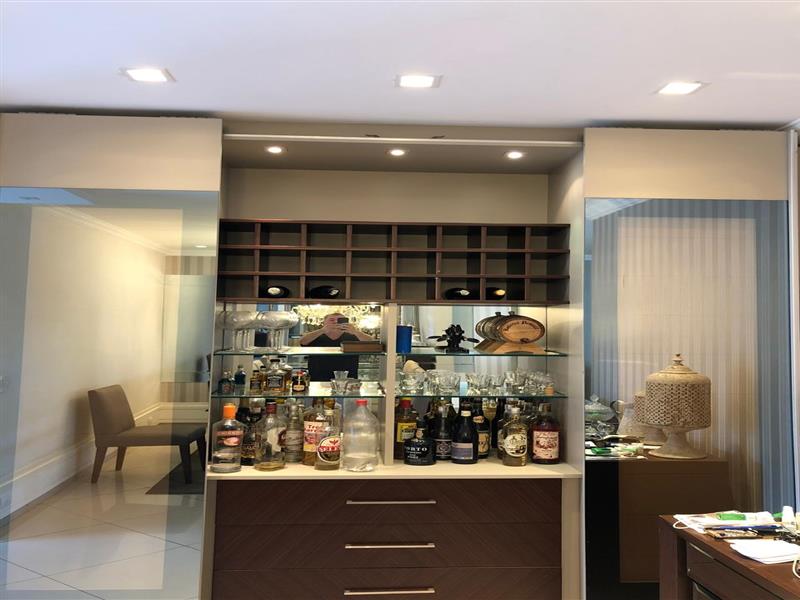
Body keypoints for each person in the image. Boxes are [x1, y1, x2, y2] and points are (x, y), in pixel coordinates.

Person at [300, 313, 374, 381]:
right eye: (331, 320)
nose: (335, 322)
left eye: (340, 320)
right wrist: (322, 330)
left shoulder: (353, 335)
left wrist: (355, 331)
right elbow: (303, 342)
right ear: (324, 322)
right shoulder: (316, 335)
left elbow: (371, 343)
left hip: (347, 376)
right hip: (318, 376)